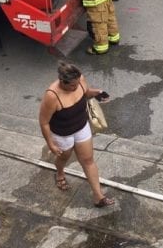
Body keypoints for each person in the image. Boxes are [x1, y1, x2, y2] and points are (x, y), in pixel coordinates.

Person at [38, 60, 115, 208]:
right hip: (63, 134)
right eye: (72, 85)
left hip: (81, 126)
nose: (75, 87)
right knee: (64, 158)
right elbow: (44, 122)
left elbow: (86, 93)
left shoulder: (79, 80)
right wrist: (51, 144)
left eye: (77, 83)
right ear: (62, 82)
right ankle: (60, 173)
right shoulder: (52, 95)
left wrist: (97, 93)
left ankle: (98, 197)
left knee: (88, 160)